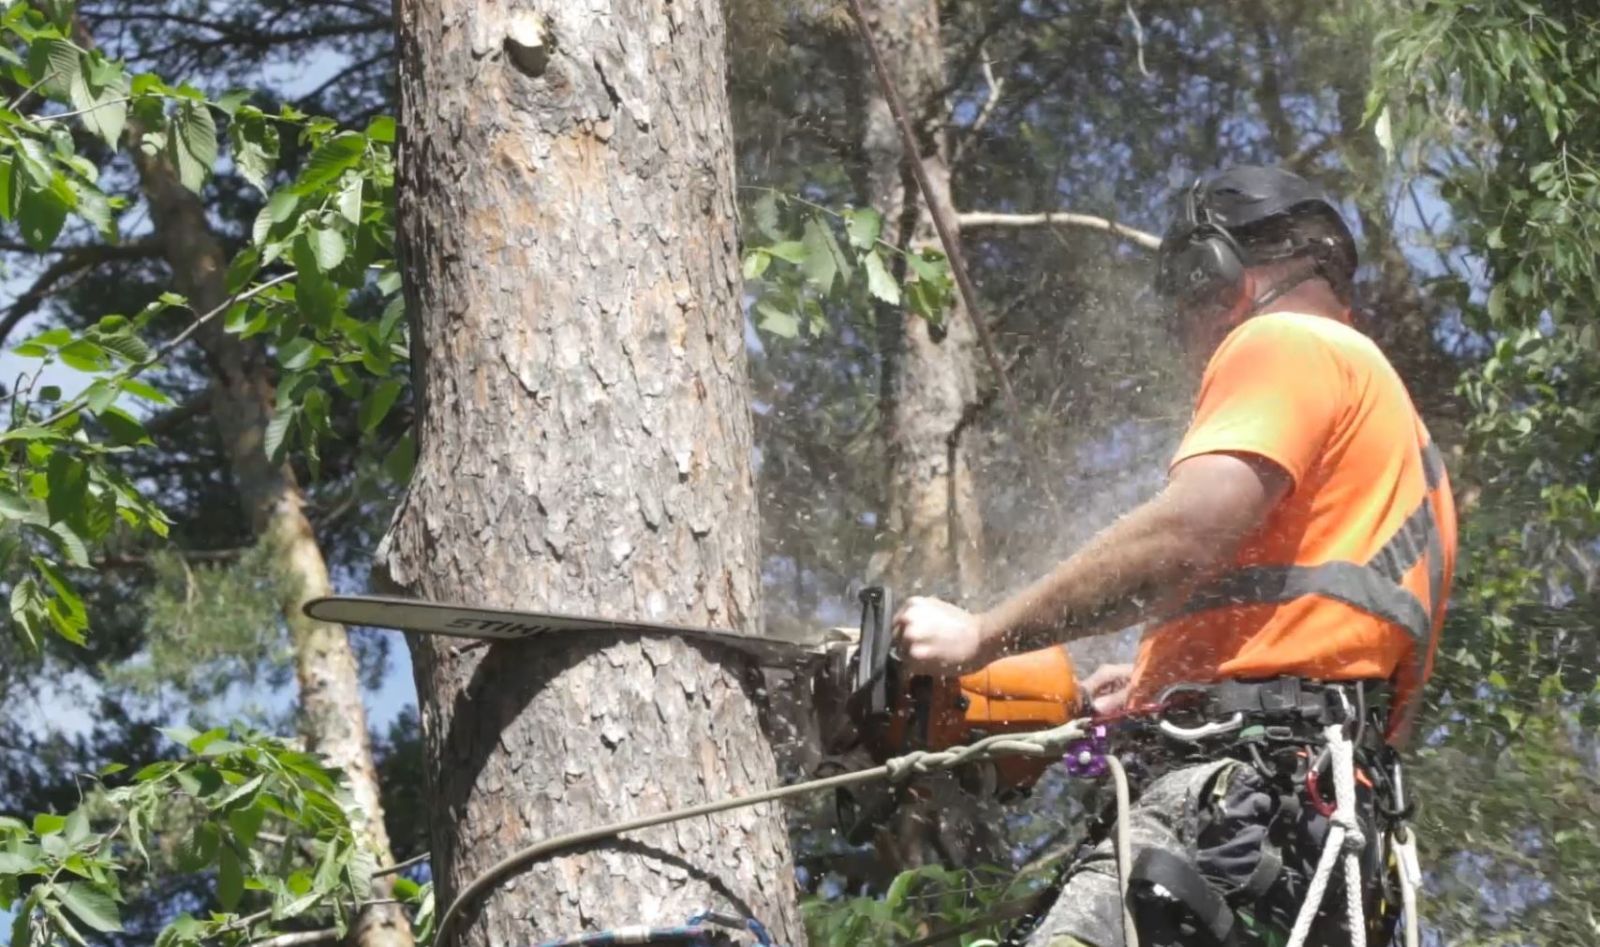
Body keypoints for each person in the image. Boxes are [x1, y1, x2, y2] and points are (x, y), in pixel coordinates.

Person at [893, 165, 1457, 947]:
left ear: (1215, 275)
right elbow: (1340, 659)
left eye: (1182, 307)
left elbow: (1184, 536)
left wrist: (982, 634)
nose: (1185, 340)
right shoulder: (1413, 460)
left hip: (1231, 811)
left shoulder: (1281, 341)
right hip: (1320, 850)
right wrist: (1166, 687)